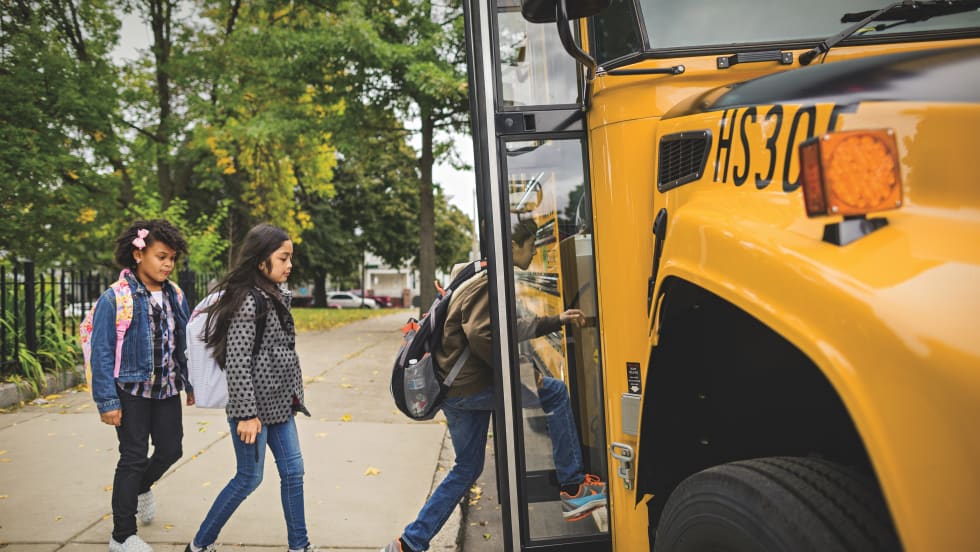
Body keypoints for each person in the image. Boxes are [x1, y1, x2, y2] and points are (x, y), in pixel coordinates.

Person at [383, 219, 606, 552]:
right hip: (468, 388)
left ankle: (410, 543)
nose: (533, 252)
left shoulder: (479, 271)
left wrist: (554, 321)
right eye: (531, 245)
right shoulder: (490, 281)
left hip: (452, 387)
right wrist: (522, 375)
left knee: (466, 468)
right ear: (513, 246)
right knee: (556, 393)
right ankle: (573, 490)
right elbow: (483, 334)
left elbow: (506, 327)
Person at [184, 223, 316, 552]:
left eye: (290, 258)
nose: (289, 264)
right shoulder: (248, 301)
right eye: (283, 258)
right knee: (248, 478)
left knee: (294, 473)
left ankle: (300, 547)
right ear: (261, 262)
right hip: (253, 412)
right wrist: (246, 414)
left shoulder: (274, 295)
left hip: (280, 406)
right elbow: (238, 360)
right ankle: (199, 545)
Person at [89, 220, 192, 552]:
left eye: (172, 259)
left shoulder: (175, 294)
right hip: (130, 392)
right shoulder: (115, 298)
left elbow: (183, 341)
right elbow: (102, 351)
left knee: (171, 449)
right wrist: (107, 401)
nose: (167, 264)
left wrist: (189, 382)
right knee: (132, 457)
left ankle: (143, 486)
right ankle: (122, 535)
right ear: (138, 253)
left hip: (166, 391)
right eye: (161, 256)